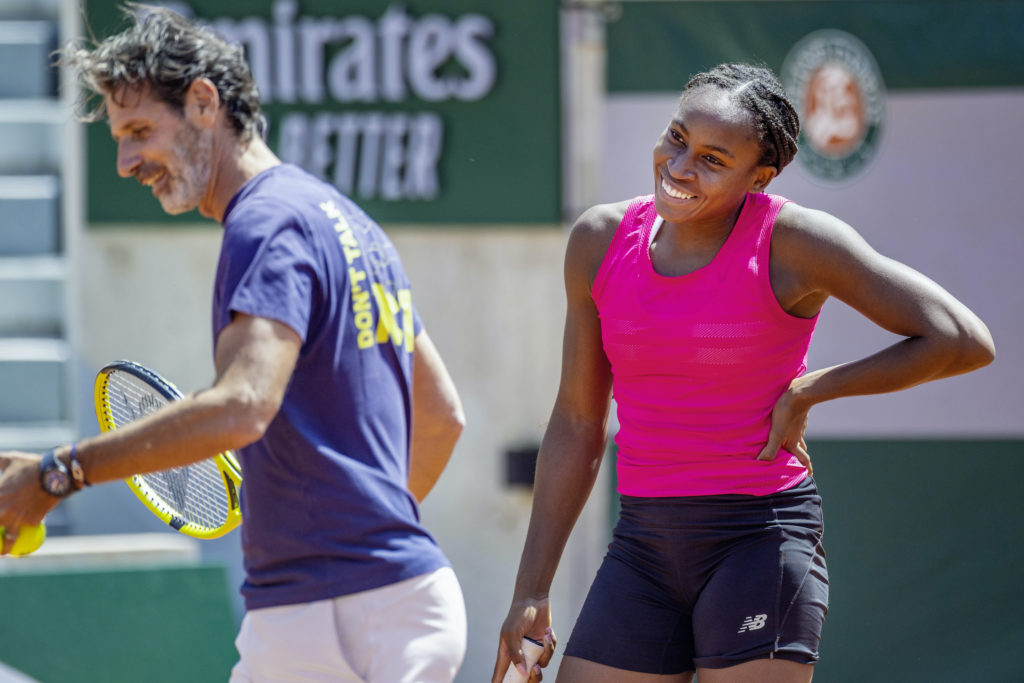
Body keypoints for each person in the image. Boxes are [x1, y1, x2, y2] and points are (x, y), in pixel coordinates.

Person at [0, 5, 468, 682]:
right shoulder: (348, 221)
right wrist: (361, 527)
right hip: (407, 596)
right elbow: (443, 417)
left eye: (137, 131)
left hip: (330, 616)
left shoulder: (265, 223)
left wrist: (58, 473)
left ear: (203, 102)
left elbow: (242, 405)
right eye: (118, 139)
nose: (127, 161)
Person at [493, 62, 995, 683]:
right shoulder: (600, 239)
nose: (680, 167)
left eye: (713, 159)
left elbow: (961, 339)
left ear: (759, 177)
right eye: (677, 138)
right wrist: (530, 592)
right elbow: (576, 422)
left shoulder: (793, 241)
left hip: (758, 539)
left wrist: (816, 387)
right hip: (643, 545)